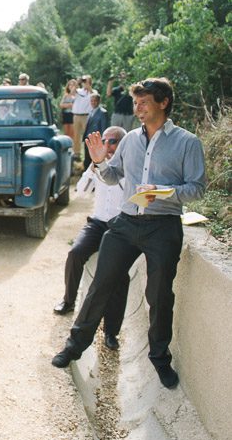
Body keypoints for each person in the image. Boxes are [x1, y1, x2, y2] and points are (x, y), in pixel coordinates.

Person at [52, 78, 206, 389]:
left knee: (159, 295)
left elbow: (197, 189)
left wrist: (163, 192)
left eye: (144, 102)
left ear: (163, 103)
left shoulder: (187, 142)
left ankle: (160, 359)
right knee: (100, 286)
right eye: (135, 102)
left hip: (163, 227)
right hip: (125, 223)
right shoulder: (130, 139)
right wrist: (98, 161)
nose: (137, 108)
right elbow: (112, 177)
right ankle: (74, 347)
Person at [53, 126, 129, 350]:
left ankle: (111, 331)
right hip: (97, 221)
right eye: (104, 141)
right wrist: (92, 168)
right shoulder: (96, 164)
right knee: (75, 253)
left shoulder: (128, 166)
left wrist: (107, 167)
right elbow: (81, 192)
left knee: (119, 275)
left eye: (112, 141)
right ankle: (68, 300)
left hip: (120, 225)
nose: (107, 146)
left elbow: (128, 191)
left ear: (121, 145)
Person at [71, 76, 94, 160]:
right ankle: (77, 153)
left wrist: (89, 86)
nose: (84, 82)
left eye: (86, 81)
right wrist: (77, 82)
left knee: (88, 136)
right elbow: (72, 93)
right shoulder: (79, 91)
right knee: (76, 135)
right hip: (77, 115)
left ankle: (89, 153)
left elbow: (94, 96)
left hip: (86, 116)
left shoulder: (93, 92)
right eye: (84, 81)